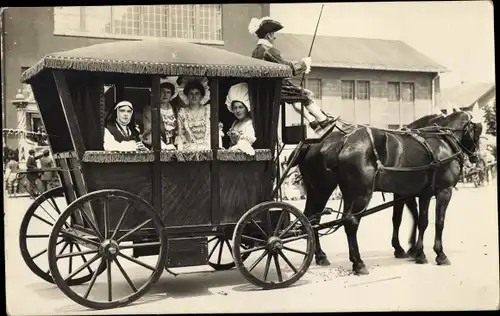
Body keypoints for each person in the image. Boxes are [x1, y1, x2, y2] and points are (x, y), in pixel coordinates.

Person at [248, 16, 335, 131]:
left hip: (264, 88)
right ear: (268, 35)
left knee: (296, 95)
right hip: (274, 88)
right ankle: (322, 120)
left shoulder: (257, 50)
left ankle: (312, 120)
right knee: (306, 94)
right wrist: (304, 64)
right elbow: (286, 67)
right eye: (273, 34)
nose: (274, 37)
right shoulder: (269, 50)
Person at [142, 76, 179, 150]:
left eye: (168, 92)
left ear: (172, 94)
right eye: (162, 91)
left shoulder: (175, 109)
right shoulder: (149, 109)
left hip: (175, 148)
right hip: (158, 148)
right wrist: (163, 146)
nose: (165, 95)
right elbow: (149, 131)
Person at [176, 77, 212, 151]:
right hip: (189, 151)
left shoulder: (208, 110)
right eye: (191, 93)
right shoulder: (182, 113)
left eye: (197, 93)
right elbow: (180, 135)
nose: (194, 96)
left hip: (207, 149)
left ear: (201, 95)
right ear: (187, 95)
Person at [225, 82, 256, 156]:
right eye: (235, 108)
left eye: (240, 107)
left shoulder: (249, 124)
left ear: (246, 108)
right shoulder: (235, 123)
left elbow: (245, 144)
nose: (238, 111)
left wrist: (230, 150)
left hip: (244, 157)